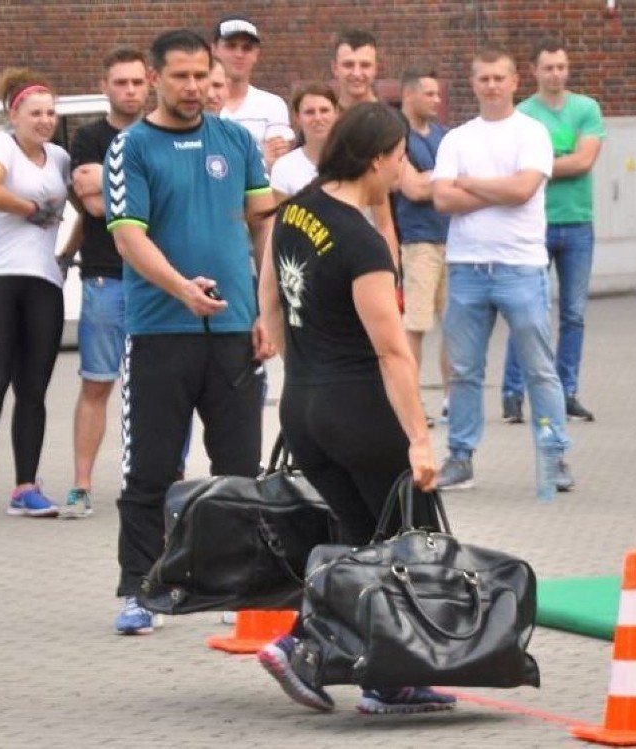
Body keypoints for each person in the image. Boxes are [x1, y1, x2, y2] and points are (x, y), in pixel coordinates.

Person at [257, 102, 454, 715]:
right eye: (400, 157)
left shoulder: (295, 209)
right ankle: (330, 656)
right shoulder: (360, 240)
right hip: (360, 415)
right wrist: (420, 438)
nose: (404, 169)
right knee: (404, 544)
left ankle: (357, 667)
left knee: (358, 543)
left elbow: (268, 292)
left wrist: (294, 363)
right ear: (376, 159)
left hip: (305, 408)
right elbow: (394, 352)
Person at [104, 29, 275, 633]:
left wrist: (265, 310)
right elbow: (129, 236)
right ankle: (140, 587)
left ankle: (238, 587)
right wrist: (181, 287)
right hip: (160, 333)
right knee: (150, 470)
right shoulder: (132, 148)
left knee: (239, 471)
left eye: (203, 74)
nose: (194, 86)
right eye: (181, 76)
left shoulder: (236, 139)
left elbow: (263, 223)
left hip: (233, 331)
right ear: (155, 78)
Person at [431, 48, 573, 493]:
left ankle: (554, 456)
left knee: (540, 369)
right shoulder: (457, 139)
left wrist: (469, 182)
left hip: (521, 267)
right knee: (464, 370)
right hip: (467, 267)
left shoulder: (532, 133)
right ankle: (460, 457)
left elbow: (524, 189)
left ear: (515, 82)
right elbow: (441, 200)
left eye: (499, 78)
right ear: (472, 84)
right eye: (483, 78)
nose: (491, 85)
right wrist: (501, 189)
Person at [0, 69, 70, 523]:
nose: (44, 121)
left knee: (34, 390)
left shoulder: (60, 157)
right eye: (35, 113)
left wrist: (74, 249)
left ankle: (26, 488)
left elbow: (87, 199)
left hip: (43, 281)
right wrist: (30, 209)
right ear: (14, 114)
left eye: (50, 113)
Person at [55, 47, 149, 520]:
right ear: (105, 85)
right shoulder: (90, 137)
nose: (129, 90)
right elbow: (92, 206)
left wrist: (115, 186)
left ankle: (161, 482)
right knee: (97, 383)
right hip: (105, 279)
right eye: (120, 82)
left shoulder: (161, 134)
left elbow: (108, 195)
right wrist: (150, 192)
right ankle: (81, 485)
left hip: (158, 281)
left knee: (159, 384)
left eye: (136, 82)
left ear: (149, 83)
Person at [500, 39, 605, 423]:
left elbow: (584, 161)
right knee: (526, 312)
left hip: (578, 223)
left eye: (561, 67)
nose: (556, 74)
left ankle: (567, 392)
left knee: (574, 315)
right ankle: (513, 392)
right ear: (534, 71)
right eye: (549, 68)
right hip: (533, 225)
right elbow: (516, 170)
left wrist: (540, 165)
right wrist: (560, 160)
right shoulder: (523, 114)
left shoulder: (587, 108)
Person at [394, 69, 450, 423]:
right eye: (429, 94)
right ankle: (412, 403)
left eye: (437, 93)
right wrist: (443, 178)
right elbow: (412, 189)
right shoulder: (397, 137)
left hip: (453, 240)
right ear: (409, 95)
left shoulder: (445, 136)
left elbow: (461, 179)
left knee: (455, 325)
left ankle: (453, 399)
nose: (436, 100)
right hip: (418, 244)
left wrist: (434, 179)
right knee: (415, 325)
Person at [329, 29, 400, 270]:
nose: (357, 73)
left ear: (376, 68)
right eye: (349, 64)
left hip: (375, 245)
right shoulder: (322, 118)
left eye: (365, 65)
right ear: (334, 68)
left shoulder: (392, 123)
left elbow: (392, 198)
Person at [212, 16, 292, 171]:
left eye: (247, 48)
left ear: (256, 54)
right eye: (231, 46)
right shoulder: (200, 103)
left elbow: (277, 162)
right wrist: (260, 156)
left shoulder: (272, 105)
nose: (239, 54)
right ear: (214, 49)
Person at [269, 81, 339, 201]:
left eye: (324, 110)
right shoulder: (284, 168)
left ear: (336, 113)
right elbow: (280, 218)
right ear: (297, 118)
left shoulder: (353, 162)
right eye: (309, 112)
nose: (318, 118)